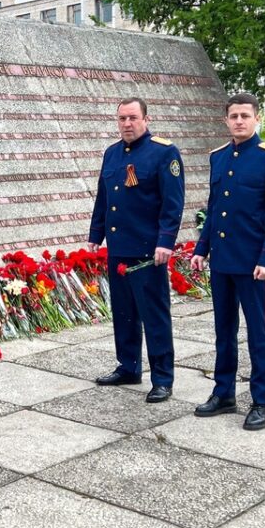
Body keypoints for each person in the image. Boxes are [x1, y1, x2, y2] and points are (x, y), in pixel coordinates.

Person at [190, 93, 265, 430]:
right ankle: (224, 393)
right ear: (226, 120)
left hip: (252, 264)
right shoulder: (218, 158)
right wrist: (201, 249)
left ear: (256, 119)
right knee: (224, 331)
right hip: (222, 261)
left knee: (258, 333)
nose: (239, 121)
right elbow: (215, 208)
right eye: (233, 116)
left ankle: (260, 401)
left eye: (245, 116)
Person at [88, 97, 185, 402]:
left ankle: (162, 378)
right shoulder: (112, 153)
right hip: (119, 246)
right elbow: (104, 197)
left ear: (146, 118)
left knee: (154, 314)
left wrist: (165, 241)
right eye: (122, 119)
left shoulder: (163, 152)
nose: (127, 124)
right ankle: (128, 366)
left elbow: (173, 203)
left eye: (132, 118)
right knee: (124, 312)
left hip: (147, 250)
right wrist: (96, 234)